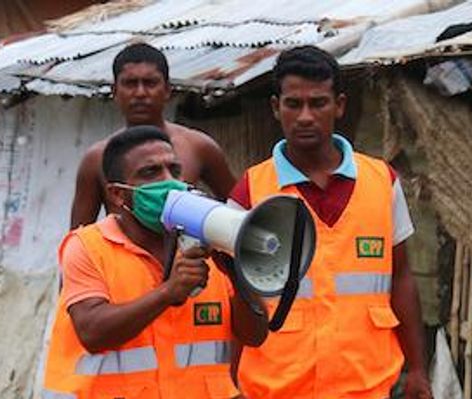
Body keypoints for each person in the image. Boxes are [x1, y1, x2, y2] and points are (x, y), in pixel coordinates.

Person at [228, 45, 431, 399]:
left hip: (367, 386)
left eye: (318, 103)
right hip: (277, 387)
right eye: (293, 104)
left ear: (339, 105)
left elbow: (401, 277)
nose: (305, 116)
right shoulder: (251, 190)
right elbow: (230, 292)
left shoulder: (382, 181)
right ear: (276, 108)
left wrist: (417, 369)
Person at [42, 126, 267, 398]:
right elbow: (92, 332)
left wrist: (236, 270)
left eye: (174, 170)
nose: (168, 181)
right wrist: (167, 293)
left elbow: (254, 335)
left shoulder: (205, 244)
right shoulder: (87, 247)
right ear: (117, 194)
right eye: (150, 173)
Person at [70, 42, 235, 229]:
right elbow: (78, 237)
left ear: (167, 91)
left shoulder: (198, 147)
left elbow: (238, 213)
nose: (140, 93)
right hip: (123, 257)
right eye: (130, 83)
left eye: (150, 83)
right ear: (115, 91)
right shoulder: (97, 158)